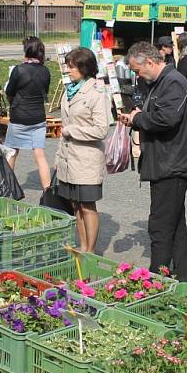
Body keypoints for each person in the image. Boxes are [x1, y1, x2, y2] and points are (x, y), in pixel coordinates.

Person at [119, 42, 187, 282]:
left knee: (160, 224)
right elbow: (157, 115)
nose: (137, 75)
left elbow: (166, 119)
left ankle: (156, 277)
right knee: (175, 223)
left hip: (173, 163)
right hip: (166, 160)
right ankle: (181, 279)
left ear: (149, 61)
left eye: (137, 70)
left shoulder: (173, 81)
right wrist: (137, 116)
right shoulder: (159, 83)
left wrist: (138, 118)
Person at [55, 47, 109, 252]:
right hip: (68, 159)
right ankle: (82, 246)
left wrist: (72, 130)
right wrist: (58, 156)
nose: (68, 70)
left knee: (87, 206)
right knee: (75, 205)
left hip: (86, 160)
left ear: (84, 67)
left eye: (71, 67)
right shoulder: (70, 90)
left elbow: (101, 130)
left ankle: (90, 251)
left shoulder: (96, 93)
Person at [5, 37, 51, 190]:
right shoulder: (46, 71)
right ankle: (47, 190)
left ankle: (8, 187)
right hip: (38, 117)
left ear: (26, 51)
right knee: (40, 156)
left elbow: (9, 91)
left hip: (19, 116)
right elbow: (45, 91)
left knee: (11, 152)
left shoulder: (18, 70)